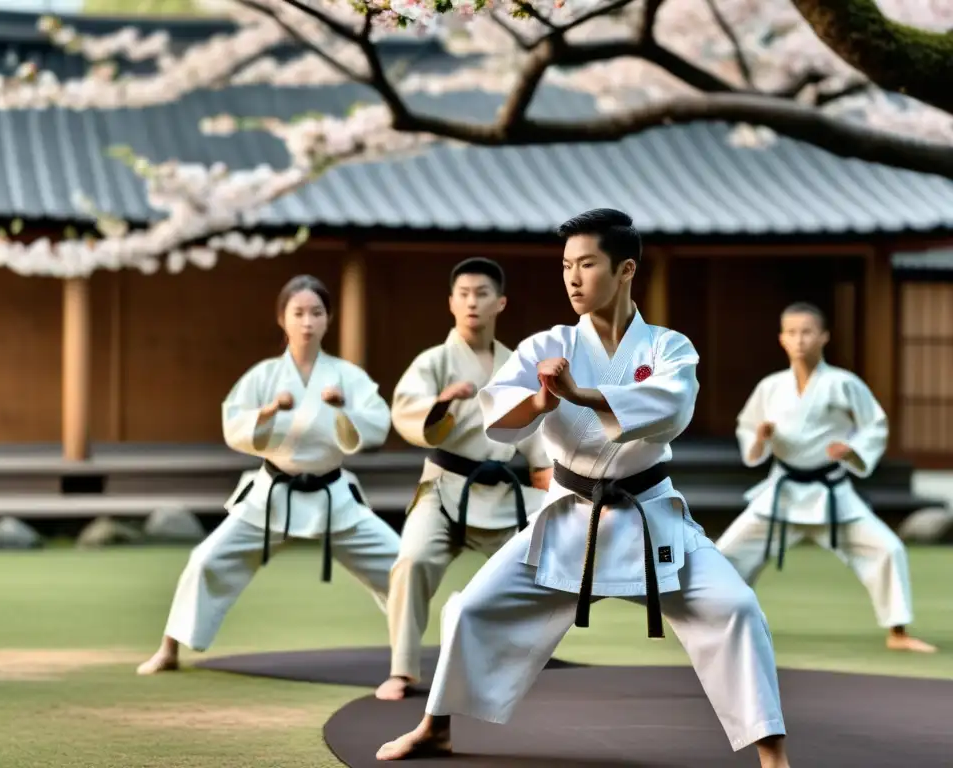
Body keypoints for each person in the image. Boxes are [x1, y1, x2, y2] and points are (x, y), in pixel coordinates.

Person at [376, 208, 790, 767]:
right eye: (566, 265)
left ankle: (772, 756)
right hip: (569, 516)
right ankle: (434, 727)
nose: (572, 278)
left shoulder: (669, 348)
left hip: (649, 516)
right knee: (471, 608)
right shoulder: (546, 345)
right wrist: (544, 400)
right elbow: (499, 414)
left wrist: (582, 394)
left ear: (624, 270)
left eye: (586, 264)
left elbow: (671, 410)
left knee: (737, 607)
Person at [137, 274, 400, 675]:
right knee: (206, 560)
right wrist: (268, 411)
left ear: (329, 319)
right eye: (298, 313)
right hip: (273, 493)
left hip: (333, 495)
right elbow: (234, 423)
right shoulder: (263, 376)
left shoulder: (348, 376)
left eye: (316, 312)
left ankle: (405, 658)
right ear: (283, 319)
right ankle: (169, 648)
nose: (307, 322)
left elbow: (378, 423)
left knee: (400, 564)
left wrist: (344, 406)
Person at [376, 258, 553, 701]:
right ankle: (401, 670)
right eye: (464, 294)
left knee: (547, 561)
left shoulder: (518, 365)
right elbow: (408, 411)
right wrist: (441, 402)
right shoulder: (434, 361)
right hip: (443, 489)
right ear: (451, 303)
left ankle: (519, 658)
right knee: (411, 562)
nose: (472, 302)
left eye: (482, 294)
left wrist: (549, 486)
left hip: (503, 494)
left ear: (501, 303)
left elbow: (539, 441)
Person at [716, 301, 936, 654]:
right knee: (724, 555)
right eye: (791, 333)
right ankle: (715, 624)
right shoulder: (771, 387)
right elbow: (747, 430)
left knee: (888, 548)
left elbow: (874, 426)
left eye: (807, 332)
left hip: (831, 493)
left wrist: (851, 451)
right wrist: (761, 438)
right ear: (781, 340)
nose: (799, 340)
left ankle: (898, 632)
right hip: (781, 493)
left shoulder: (843, 384)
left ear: (824, 337)